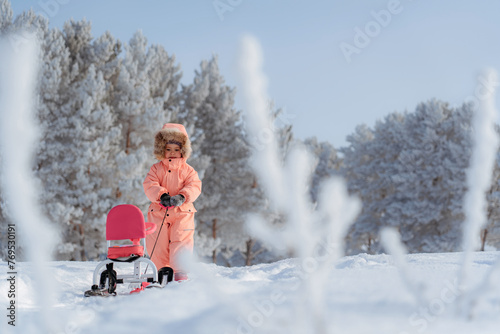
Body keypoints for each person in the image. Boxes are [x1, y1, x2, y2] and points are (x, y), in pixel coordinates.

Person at [143, 123, 202, 282]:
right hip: (160, 211)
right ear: (162, 149)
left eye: (176, 149)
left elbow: (194, 186)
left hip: (182, 212)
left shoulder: (188, 170)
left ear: (183, 150)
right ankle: (161, 270)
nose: (172, 153)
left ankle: (180, 272)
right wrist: (161, 196)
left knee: (181, 240)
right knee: (158, 241)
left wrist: (182, 197)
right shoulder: (156, 169)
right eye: (168, 149)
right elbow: (150, 184)